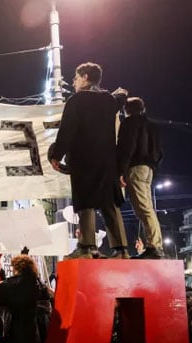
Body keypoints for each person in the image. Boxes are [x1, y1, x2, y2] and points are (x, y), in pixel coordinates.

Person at [49, 62, 129, 259]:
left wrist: (56, 155)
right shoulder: (109, 101)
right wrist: (122, 94)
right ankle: (121, 249)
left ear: (85, 77)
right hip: (107, 160)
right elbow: (120, 98)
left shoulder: (76, 101)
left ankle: (87, 247)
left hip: (83, 158)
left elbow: (66, 131)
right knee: (109, 202)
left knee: (85, 202)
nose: (74, 82)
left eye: (76, 78)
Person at [117, 97, 164, 259]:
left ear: (126, 110)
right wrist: (153, 167)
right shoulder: (152, 125)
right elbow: (159, 151)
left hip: (135, 167)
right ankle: (155, 245)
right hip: (148, 168)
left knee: (143, 208)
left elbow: (127, 148)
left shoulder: (129, 124)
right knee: (147, 206)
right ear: (142, 109)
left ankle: (155, 247)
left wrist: (121, 172)